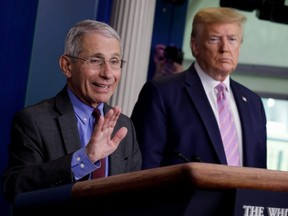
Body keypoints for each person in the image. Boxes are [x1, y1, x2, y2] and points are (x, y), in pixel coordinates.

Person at [131, 7, 266, 215]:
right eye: (214, 39)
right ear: (195, 46)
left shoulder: (253, 103)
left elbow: (259, 176)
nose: (225, 48)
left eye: (232, 39)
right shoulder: (161, 93)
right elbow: (142, 173)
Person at [2, 20, 142, 204]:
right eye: (95, 60)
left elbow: (135, 196)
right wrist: (84, 159)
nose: (108, 73)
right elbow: (15, 188)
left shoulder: (124, 126)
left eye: (114, 61)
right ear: (67, 66)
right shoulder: (34, 121)